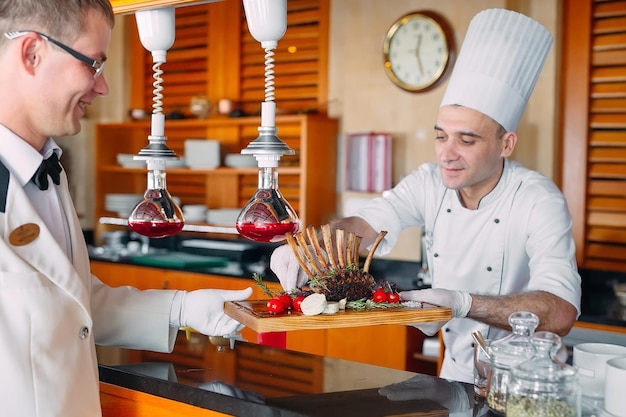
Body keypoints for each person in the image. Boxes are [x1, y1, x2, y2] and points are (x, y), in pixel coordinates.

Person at [271, 8, 581, 384]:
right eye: (440, 136)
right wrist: (313, 245)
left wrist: (464, 304)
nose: (446, 153)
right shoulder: (429, 182)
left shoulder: (538, 199)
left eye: (466, 139)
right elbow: (367, 223)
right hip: (455, 375)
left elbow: (561, 312)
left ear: (506, 144)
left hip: (530, 383)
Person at [0, 1, 252, 416]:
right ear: (32, 54)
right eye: (93, 64)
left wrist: (183, 308)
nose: (103, 88)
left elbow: (70, 302)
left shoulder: (49, 171)